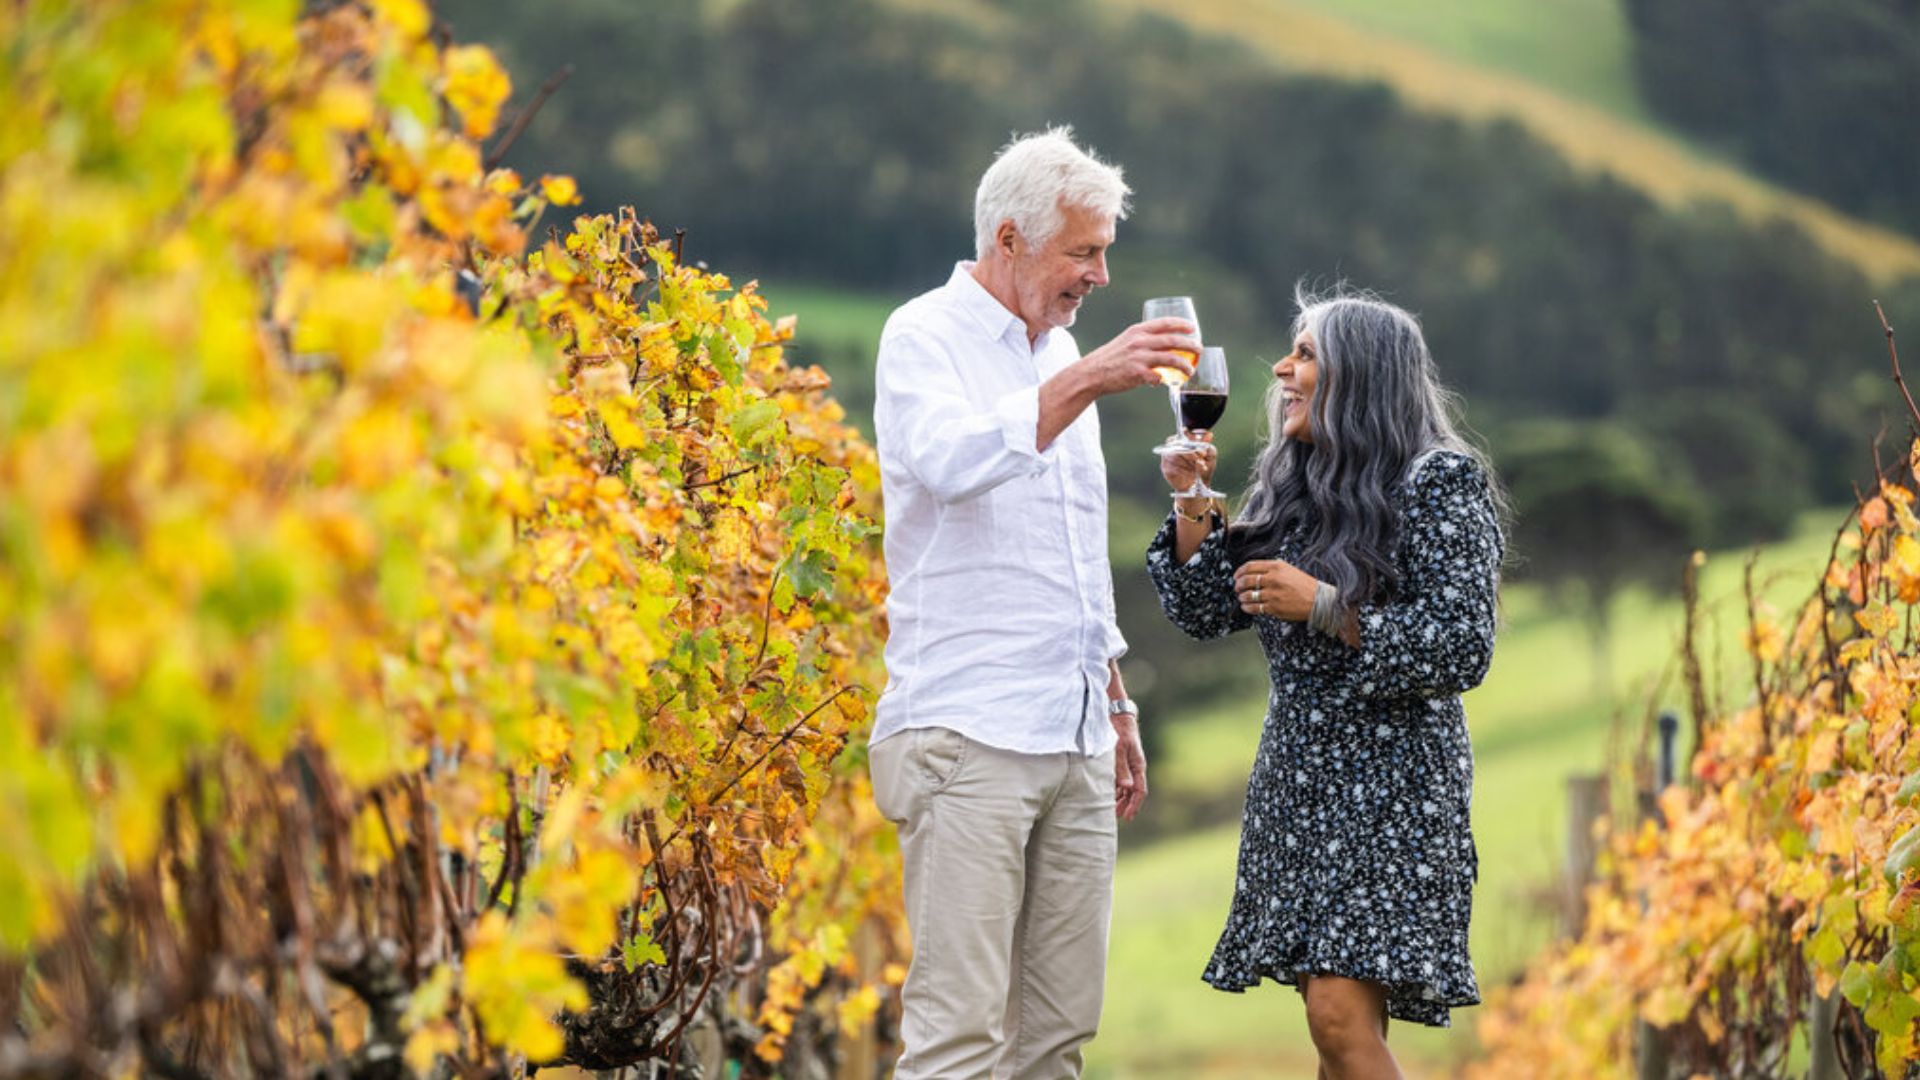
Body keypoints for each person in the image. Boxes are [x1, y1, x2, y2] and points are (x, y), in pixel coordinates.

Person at [867, 126, 1197, 1080]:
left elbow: (1072, 557)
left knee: (1058, 1045)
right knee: (959, 1039)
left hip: (1077, 735)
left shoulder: (1059, 350)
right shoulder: (920, 335)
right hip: (966, 730)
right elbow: (953, 464)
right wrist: (1089, 377)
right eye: (1083, 252)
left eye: (1105, 253)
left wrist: (1118, 699)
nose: (1098, 275)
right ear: (1009, 240)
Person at [1149, 288, 1506, 1079]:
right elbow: (1206, 608)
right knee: (1332, 1026)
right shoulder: (1297, 485)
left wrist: (1325, 609)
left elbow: (1461, 646)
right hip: (1298, 784)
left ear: (1364, 376)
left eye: (1306, 353)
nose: (1281, 368)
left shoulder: (1438, 481)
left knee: (1337, 1017)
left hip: (1394, 787)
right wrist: (1190, 497)